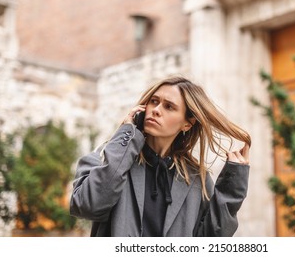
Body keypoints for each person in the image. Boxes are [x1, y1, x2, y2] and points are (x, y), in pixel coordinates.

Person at [70, 76, 251, 237]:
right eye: (154, 101)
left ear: (187, 124)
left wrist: (231, 186)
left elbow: (211, 238)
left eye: (169, 106)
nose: (156, 110)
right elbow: (87, 206)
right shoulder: (105, 157)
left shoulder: (196, 179)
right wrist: (126, 135)